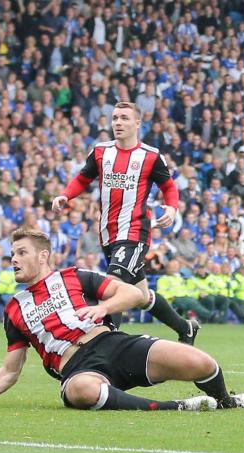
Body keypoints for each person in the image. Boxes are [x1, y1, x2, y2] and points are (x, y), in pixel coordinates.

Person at [0, 228, 244, 411]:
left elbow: (133, 295)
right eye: (12, 255)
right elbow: (9, 371)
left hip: (112, 343)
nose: (13, 260)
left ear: (43, 256)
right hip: (77, 368)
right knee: (80, 391)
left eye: (21, 253)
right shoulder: (14, 308)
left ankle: (226, 402)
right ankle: (177, 406)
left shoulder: (75, 276)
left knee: (200, 362)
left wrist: (103, 309)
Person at [52, 102, 197, 344]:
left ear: (137, 123)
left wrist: (172, 207)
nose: (118, 123)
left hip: (135, 232)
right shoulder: (100, 152)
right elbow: (82, 178)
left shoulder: (150, 156)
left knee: (113, 287)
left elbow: (169, 187)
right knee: (140, 296)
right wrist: (65, 195)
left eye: (124, 118)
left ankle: (104, 345)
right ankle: (186, 328)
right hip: (108, 233)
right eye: (115, 118)